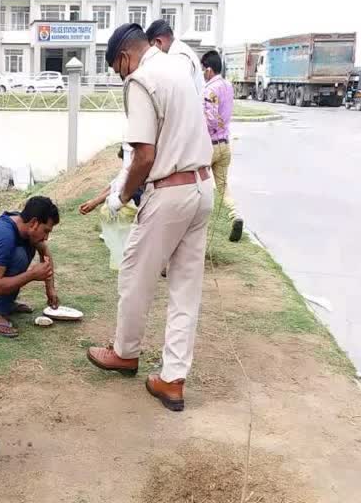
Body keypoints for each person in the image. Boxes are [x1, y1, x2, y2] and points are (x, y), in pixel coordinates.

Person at [86, 24, 214, 412]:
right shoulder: (180, 68)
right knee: (185, 290)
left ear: (124, 57)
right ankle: (172, 380)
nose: (120, 77)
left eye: (117, 70)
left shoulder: (141, 79)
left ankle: (124, 352)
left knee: (134, 273)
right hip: (203, 186)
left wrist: (121, 196)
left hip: (171, 191)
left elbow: (143, 154)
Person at [0, 196, 60, 339]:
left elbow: (44, 250)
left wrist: (50, 289)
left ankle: (5, 304)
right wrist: (32, 275)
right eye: (45, 231)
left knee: (30, 245)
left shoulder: (23, 224)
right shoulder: (4, 235)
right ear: (34, 223)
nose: (46, 237)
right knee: (19, 255)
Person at [201, 49, 243, 242]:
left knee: (199, 184)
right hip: (225, 144)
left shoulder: (209, 90)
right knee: (223, 185)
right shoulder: (228, 86)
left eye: (203, 70)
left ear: (209, 70)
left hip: (209, 145)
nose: (202, 74)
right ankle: (235, 214)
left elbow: (209, 119)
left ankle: (199, 226)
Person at [78, 143, 143, 215]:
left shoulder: (138, 163)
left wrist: (95, 202)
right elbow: (114, 184)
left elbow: (120, 187)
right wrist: (93, 201)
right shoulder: (127, 170)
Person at [145, 19, 204, 95]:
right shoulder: (179, 50)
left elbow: (178, 93)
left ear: (159, 42)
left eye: (152, 47)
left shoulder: (179, 58)